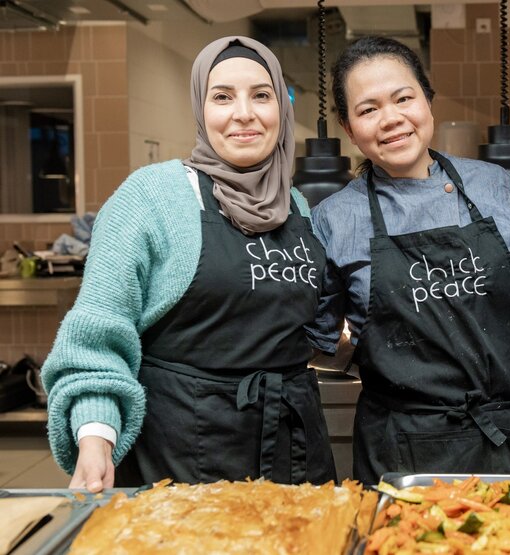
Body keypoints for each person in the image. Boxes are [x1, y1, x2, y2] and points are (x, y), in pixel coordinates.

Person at [42, 36, 336, 491]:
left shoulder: (295, 204)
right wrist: (95, 436)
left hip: (294, 449)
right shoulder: (151, 197)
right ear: (200, 108)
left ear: (282, 108)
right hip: (184, 451)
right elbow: (97, 334)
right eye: (222, 97)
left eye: (262, 95)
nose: (244, 113)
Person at [310, 36, 510, 485]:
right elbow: (321, 340)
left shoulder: (493, 186)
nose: (391, 119)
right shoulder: (334, 219)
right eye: (368, 109)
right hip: (399, 448)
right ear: (347, 126)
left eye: (403, 98)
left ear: (427, 101)